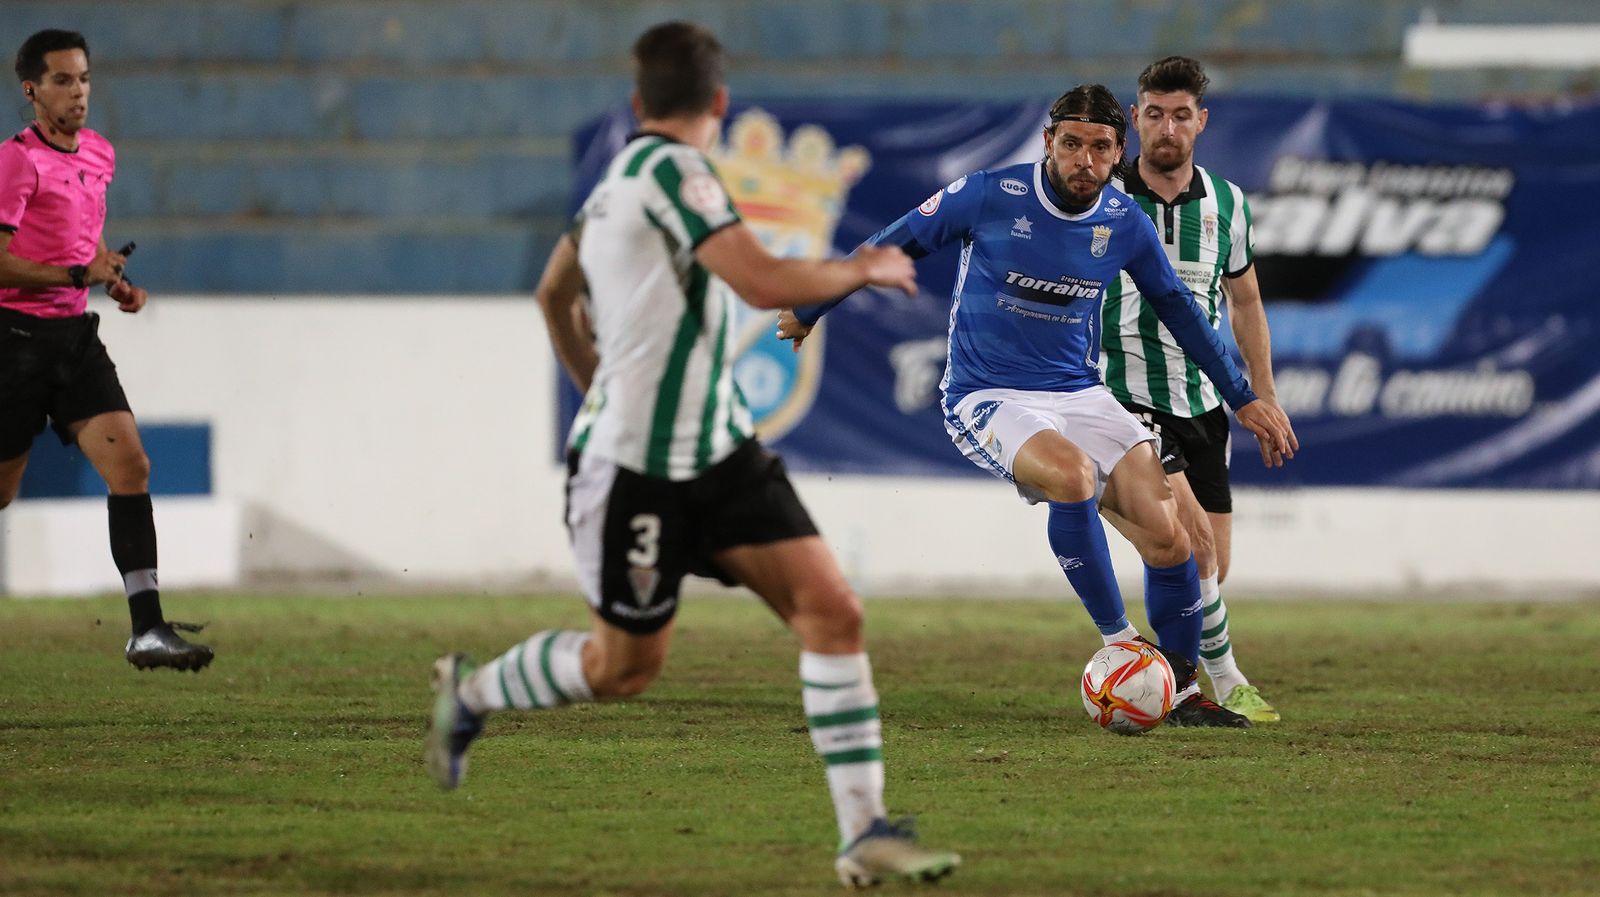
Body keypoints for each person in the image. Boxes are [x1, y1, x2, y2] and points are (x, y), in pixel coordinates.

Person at [423, 22, 959, 888]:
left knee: (833, 611)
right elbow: (762, 281)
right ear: (719, 102)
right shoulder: (675, 172)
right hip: (635, 468)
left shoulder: (614, 182)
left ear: (638, 103)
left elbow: (552, 291)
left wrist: (591, 374)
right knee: (623, 667)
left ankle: (863, 833)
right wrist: (861, 269)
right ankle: (472, 692)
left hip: (716, 451)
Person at [779, 84, 1297, 728]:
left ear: (1118, 153)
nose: (1085, 159)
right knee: (1072, 474)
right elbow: (891, 243)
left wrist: (1244, 398)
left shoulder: (1123, 223)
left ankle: (1183, 690)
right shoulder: (988, 195)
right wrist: (808, 308)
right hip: (987, 394)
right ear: (1049, 141)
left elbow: (1184, 315)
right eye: (1072, 144)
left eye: (1101, 148)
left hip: (1078, 392)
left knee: (1176, 545)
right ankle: (1120, 642)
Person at [0, 29, 212, 672]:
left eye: (85, 78)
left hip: (74, 342)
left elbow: (83, 250)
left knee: (132, 468)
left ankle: (146, 628)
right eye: (63, 80)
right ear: (32, 90)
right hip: (13, 342)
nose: (79, 92)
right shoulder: (16, 160)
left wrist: (115, 282)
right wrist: (73, 277)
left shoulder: (99, 153)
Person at [1101, 56, 1282, 721]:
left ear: (1201, 121)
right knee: (1191, 541)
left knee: (1209, 568)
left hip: (1204, 404)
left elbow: (1246, 301)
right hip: (1124, 396)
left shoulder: (1229, 202)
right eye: (1155, 113)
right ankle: (1223, 682)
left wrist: (1262, 393)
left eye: (1181, 114)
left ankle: (1160, 677)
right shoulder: (1104, 196)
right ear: (1135, 117)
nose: (1167, 127)